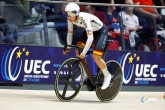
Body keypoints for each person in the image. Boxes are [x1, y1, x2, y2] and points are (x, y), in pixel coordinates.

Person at [63, 3, 111, 90]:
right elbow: (70, 32)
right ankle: (84, 72)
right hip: (90, 31)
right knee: (78, 48)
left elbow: (90, 38)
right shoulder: (70, 18)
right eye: (67, 14)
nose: (68, 17)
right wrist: (69, 47)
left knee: (96, 57)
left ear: (75, 14)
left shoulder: (84, 18)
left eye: (70, 15)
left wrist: (84, 53)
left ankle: (107, 76)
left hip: (100, 32)